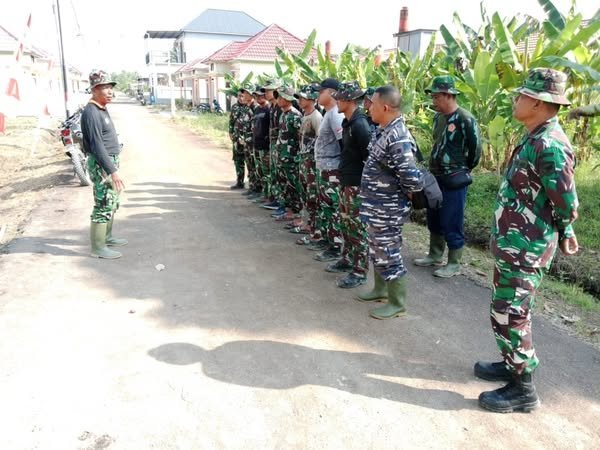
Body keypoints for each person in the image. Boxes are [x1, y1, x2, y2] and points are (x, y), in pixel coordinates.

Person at [475, 68, 579, 413]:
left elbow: (566, 202)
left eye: (521, 96)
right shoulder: (535, 136)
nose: (516, 100)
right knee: (503, 309)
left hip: (527, 247)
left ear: (536, 103)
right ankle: (512, 363)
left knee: (512, 312)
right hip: (514, 242)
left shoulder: (550, 146)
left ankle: (523, 389)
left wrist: (566, 232)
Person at [357, 86, 423, 319]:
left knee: (388, 252)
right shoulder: (383, 130)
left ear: (385, 107)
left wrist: (402, 197)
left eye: (373, 104)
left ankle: (397, 303)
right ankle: (380, 289)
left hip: (388, 208)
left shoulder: (398, 136)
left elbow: (411, 177)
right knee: (377, 249)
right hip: (376, 205)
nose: (369, 108)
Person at [414, 75, 481, 278]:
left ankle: (454, 263)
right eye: (433, 97)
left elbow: (475, 150)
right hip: (435, 176)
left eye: (437, 97)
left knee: (452, 219)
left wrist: (463, 168)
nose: (434, 101)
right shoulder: (438, 118)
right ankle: (435, 254)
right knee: (434, 215)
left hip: (455, 177)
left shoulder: (465, 119)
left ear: (449, 95)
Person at [328, 81, 371, 289]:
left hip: (357, 185)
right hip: (346, 182)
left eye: (340, 98)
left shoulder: (360, 125)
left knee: (357, 228)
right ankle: (347, 259)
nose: (337, 101)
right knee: (346, 225)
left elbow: (370, 158)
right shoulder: (349, 122)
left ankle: (360, 270)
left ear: (350, 100)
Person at [80, 69, 126, 259]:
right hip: (101, 164)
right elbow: (97, 146)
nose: (110, 91)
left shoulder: (101, 108)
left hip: (108, 161)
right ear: (94, 90)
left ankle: (107, 237)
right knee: (103, 203)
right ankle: (98, 248)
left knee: (112, 200)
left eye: (110, 87)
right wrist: (112, 171)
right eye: (105, 88)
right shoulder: (91, 112)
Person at [312, 78, 344, 260]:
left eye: (321, 91)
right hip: (325, 168)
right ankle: (327, 239)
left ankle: (336, 246)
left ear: (331, 93)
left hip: (332, 170)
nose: (318, 95)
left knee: (332, 208)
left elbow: (343, 144)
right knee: (325, 206)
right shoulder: (328, 113)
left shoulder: (336, 115)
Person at [294, 84, 323, 242]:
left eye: (303, 98)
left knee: (313, 195)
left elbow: (320, 140)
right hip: (304, 159)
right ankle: (308, 223)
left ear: (312, 99)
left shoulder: (316, 117)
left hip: (312, 162)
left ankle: (315, 228)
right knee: (305, 193)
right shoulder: (305, 116)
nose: (300, 100)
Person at [273, 86, 303, 220]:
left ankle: (295, 213)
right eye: (278, 97)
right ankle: (287, 209)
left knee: (293, 186)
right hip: (282, 156)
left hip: (291, 158)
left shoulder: (295, 116)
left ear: (288, 98)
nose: (278, 100)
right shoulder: (283, 115)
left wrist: (296, 158)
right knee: (283, 185)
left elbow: (300, 139)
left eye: (281, 97)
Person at [237, 84, 257, 197]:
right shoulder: (247, 108)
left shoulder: (255, 108)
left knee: (254, 166)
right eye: (243, 93)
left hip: (253, 143)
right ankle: (252, 187)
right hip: (247, 143)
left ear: (251, 95)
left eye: (245, 93)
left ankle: (256, 189)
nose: (243, 95)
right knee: (250, 165)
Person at [251, 86, 271, 202]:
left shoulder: (269, 110)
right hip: (257, 144)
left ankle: (269, 196)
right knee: (260, 172)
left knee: (267, 172)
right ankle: (264, 193)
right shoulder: (257, 109)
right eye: (256, 96)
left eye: (260, 95)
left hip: (266, 146)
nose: (258, 97)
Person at [228, 90, 245, 189]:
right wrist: (230, 132)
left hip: (247, 139)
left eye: (243, 96)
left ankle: (254, 185)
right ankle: (240, 182)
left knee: (250, 162)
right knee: (238, 160)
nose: (241, 98)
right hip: (236, 138)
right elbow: (231, 121)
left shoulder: (250, 107)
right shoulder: (234, 107)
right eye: (239, 96)